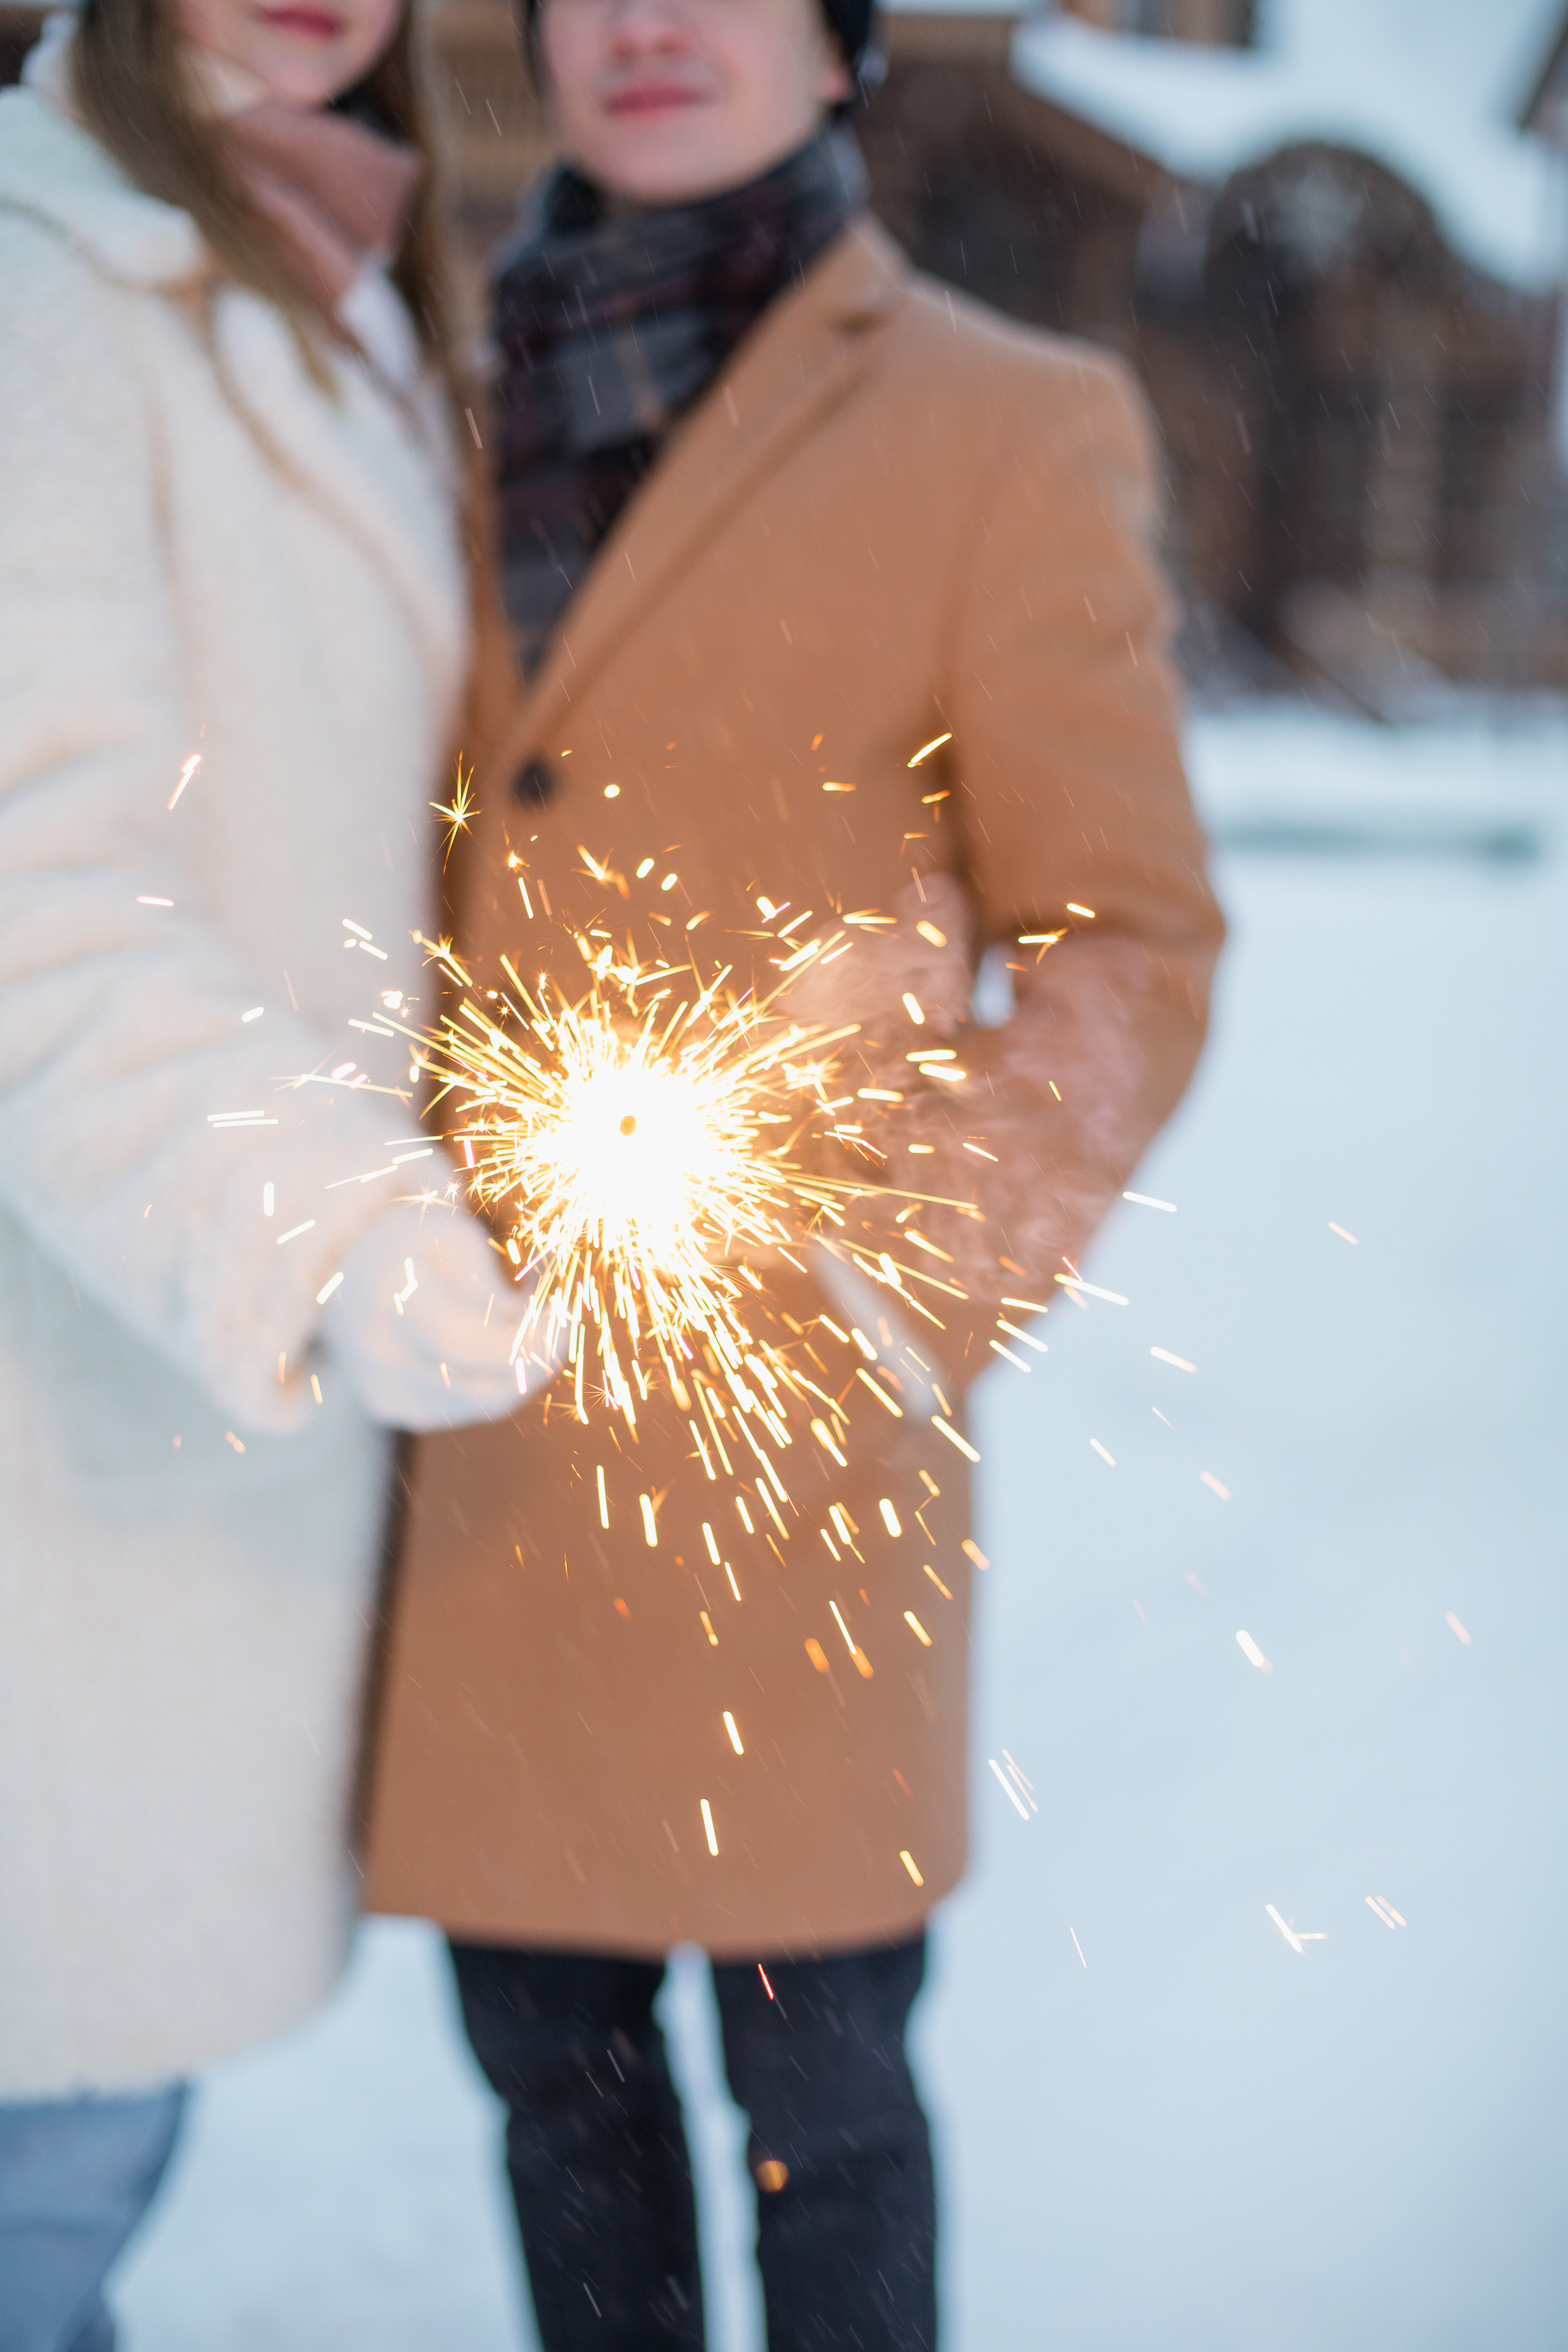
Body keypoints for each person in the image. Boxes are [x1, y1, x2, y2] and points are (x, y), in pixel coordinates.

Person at [363, 0, 1224, 2343]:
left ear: (842, 48)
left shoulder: (1000, 421)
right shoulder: (402, 399)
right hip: (462, 1409)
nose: (648, 28)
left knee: (818, 2101)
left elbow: (1123, 936)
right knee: (551, 2083)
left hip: (789, 1435)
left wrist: (903, 1295)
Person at [0, 1, 528, 2341]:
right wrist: (330, 1216)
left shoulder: (348, 278)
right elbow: (32, 899)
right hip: (76, 1398)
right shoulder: (42, 289)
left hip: (195, 1420)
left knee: (82, 2174)